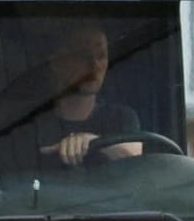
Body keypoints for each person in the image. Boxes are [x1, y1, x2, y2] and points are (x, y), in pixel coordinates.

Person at [37, 22, 143, 168]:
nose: (94, 65)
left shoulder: (121, 117)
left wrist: (91, 142)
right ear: (57, 63)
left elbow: (134, 157)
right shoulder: (34, 126)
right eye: (83, 56)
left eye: (101, 56)